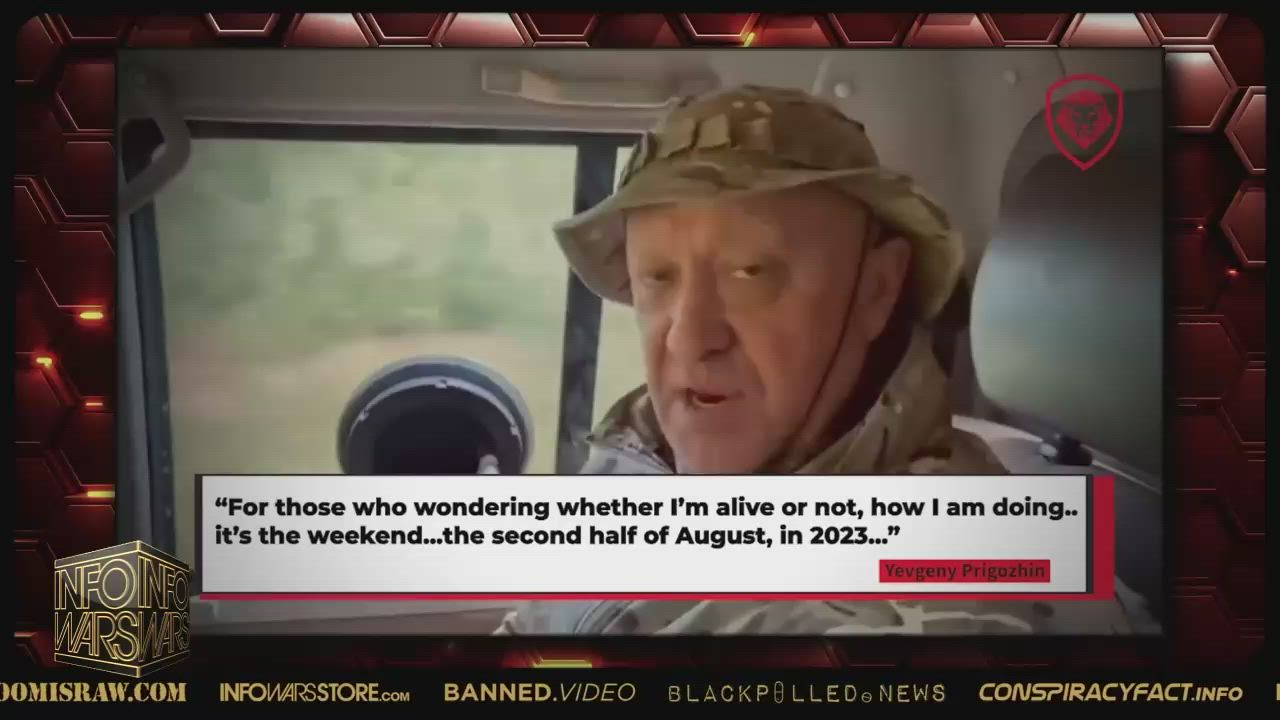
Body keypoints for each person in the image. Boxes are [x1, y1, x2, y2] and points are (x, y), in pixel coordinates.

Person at [494, 85, 1156, 635]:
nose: (689, 339)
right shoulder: (642, 458)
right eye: (655, 278)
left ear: (875, 290)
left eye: (751, 272)